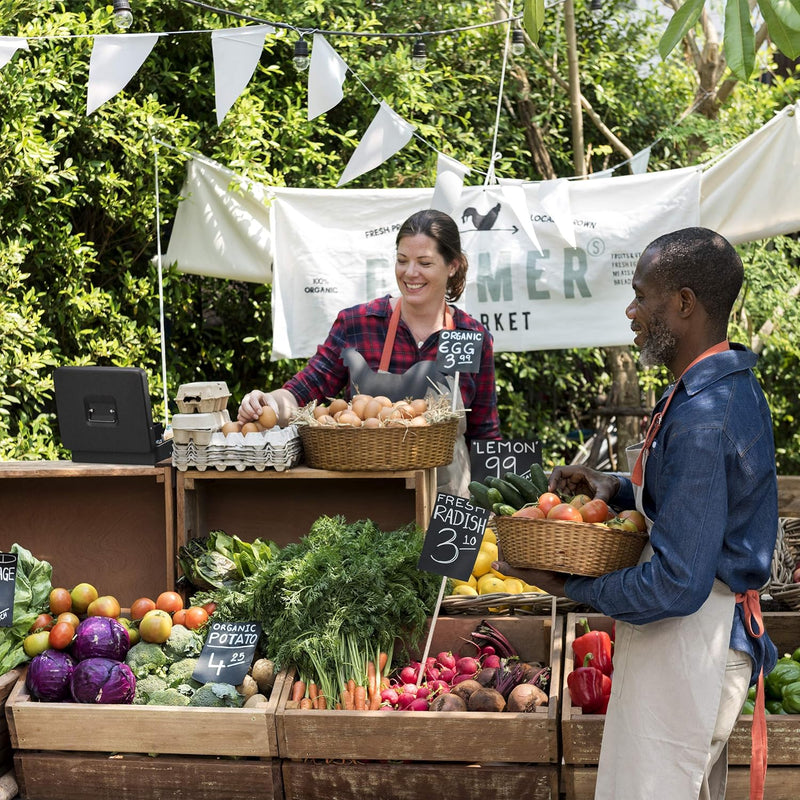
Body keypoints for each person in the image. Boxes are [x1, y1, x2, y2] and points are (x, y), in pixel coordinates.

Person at [495, 227, 778, 800]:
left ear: (683, 303)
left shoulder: (704, 415)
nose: (631, 310)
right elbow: (690, 500)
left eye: (641, 294)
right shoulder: (716, 386)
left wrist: (574, 584)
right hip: (690, 644)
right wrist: (616, 489)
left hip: (691, 648)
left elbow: (677, 583)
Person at [238, 208, 501, 495]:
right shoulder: (359, 324)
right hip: (369, 505)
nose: (410, 273)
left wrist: (493, 508)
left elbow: (484, 434)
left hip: (448, 505)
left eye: (424, 262)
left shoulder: (469, 336)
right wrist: (269, 405)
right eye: (402, 261)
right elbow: (305, 389)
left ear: (453, 265)